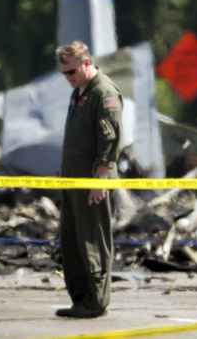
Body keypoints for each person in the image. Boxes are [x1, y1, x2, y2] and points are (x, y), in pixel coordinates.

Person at [55, 41, 123, 319]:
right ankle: (81, 299)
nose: (68, 78)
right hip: (73, 181)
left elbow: (110, 139)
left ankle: (96, 301)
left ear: (86, 63)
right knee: (71, 241)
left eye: (71, 71)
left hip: (92, 180)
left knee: (93, 240)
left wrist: (100, 179)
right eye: (64, 73)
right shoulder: (79, 91)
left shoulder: (104, 93)